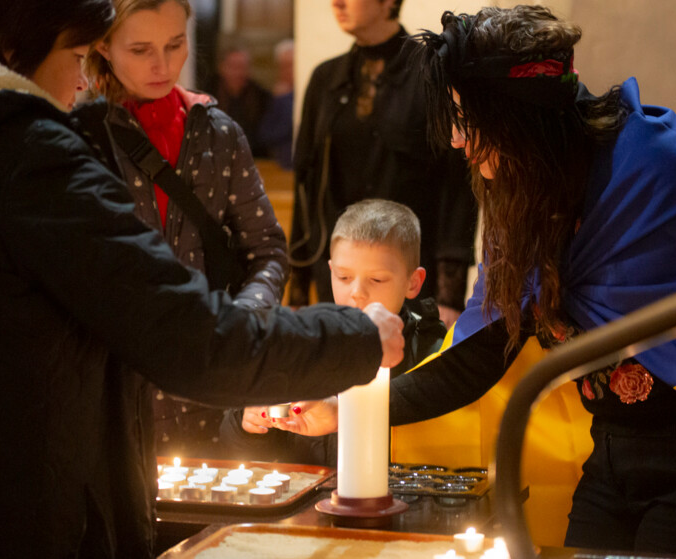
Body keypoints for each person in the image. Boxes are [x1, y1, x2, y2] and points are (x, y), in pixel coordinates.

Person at [275, 7, 676, 558]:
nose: (456, 139)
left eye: (467, 119)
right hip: (612, 456)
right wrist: (340, 410)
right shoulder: (522, 191)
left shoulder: (662, 170)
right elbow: (480, 356)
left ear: (520, 118)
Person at [0, 0, 406, 555]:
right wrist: (355, 337)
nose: (83, 81)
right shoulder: (21, 155)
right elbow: (188, 337)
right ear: (14, 48)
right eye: (78, 54)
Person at [77, 0, 289, 461]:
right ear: (103, 47)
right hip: (116, 388)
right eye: (140, 49)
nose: (163, 65)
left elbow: (267, 249)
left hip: (209, 379)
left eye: (175, 45)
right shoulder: (81, 135)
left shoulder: (217, 132)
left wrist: (243, 318)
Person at [287, 0, 478, 328]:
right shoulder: (326, 77)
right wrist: (299, 290)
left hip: (410, 274)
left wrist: (450, 296)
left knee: (409, 375)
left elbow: (457, 188)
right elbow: (305, 184)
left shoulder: (431, 73)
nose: (337, 2)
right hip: (341, 277)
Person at [220, 199, 446, 466]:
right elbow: (250, 451)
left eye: (376, 279)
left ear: (413, 282)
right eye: (344, 277)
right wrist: (249, 424)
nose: (357, 292)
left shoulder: (434, 353)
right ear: (330, 271)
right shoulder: (304, 344)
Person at [213, 45, 271, 157]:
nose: (238, 73)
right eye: (233, 67)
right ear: (222, 67)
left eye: (242, 67)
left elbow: (264, 135)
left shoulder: (261, 96)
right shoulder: (209, 95)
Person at [258, 38, 294, 169]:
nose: (286, 71)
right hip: (281, 165)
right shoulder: (276, 97)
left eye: (290, 65)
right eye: (282, 66)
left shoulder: (286, 97)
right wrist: (281, 100)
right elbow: (266, 135)